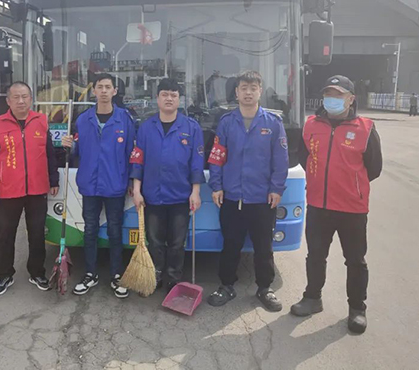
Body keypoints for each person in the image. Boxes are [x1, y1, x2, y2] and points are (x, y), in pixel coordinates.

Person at [290, 75, 382, 334]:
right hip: (318, 205)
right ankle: (312, 298)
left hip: (352, 208)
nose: (332, 99)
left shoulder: (365, 129)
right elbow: (304, 156)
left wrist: (349, 185)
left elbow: (374, 168)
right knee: (315, 255)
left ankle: (357, 308)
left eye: (338, 95)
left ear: (351, 99)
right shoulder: (311, 125)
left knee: (355, 260)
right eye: (328, 94)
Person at [207, 71, 288, 311]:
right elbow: (217, 157)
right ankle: (226, 286)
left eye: (253, 88)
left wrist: (276, 188)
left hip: (262, 198)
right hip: (232, 197)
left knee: (264, 247)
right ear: (237, 92)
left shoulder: (273, 123)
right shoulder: (226, 122)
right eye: (244, 88)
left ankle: (265, 288)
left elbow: (280, 160)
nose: (248, 92)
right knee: (230, 244)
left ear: (260, 91)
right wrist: (216, 185)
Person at [61, 73, 136, 298]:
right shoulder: (83, 119)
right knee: (90, 229)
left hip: (115, 183)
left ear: (114, 91)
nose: (104, 91)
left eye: (108, 87)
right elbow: (78, 150)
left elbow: (132, 153)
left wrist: (131, 180)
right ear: (94, 91)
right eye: (100, 87)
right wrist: (69, 146)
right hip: (90, 184)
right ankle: (90, 273)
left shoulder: (125, 119)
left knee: (115, 230)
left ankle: (116, 274)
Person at [0, 82, 60, 296]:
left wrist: (53, 180)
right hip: (8, 190)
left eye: (25, 96)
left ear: (31, 99)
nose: (21, 101)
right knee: (5, 234)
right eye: (16, 97)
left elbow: (50, 154)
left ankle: (37, 272)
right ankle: (4, 274)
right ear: (8, 101)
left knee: (37, 234)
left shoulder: (41, 121)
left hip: (37, 189)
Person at [130, 79, 204, 293]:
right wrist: (137, 190)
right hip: (152, 195)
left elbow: (197, 163)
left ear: (179, 99)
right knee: (154, 241)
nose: (169, 98)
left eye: (173, 95)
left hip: (180, 196)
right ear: (157, 98)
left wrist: (196, 192)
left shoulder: (191, 127)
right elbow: (138, 160)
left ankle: (173, 278)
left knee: (177, 243)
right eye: (165, 94)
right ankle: (156, 274)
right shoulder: (146, 128)